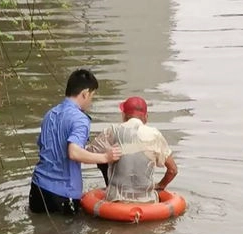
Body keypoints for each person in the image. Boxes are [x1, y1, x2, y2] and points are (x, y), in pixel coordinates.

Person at [29, 69, 122, 215]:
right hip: (62, 195)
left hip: (37, 189)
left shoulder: (50, 114)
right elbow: (74, 152)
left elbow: (42, 146)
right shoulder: (80, 119)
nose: (91, 101)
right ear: (85, 93)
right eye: (92, 96)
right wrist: (106, 157)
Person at [87, 96, 178, 203]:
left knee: (102, 157)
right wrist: (160, 185)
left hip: (116, 201)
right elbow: (172, 170)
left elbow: (88, 154)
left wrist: (107, 156)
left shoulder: (112, 131)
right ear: (146, 117)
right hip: (147, 202)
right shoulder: (155, 135)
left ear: (124, 115)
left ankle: (110, 187)